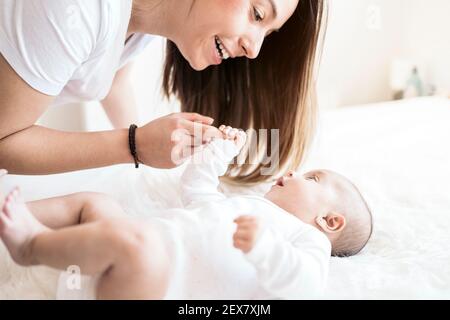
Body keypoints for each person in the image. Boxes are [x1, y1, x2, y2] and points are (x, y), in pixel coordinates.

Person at [0, 126, 372, 300]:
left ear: (329, 220)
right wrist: (218, 154)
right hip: (104, 261)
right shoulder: (241, 207)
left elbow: (304, 286)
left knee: (139, 243)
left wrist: (265, 249)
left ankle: (31, 246)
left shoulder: (305, 240)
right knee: (95, 203)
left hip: (146, 288)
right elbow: (196, 190)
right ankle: (11, 215)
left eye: (311, 177)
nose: (291, 172)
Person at [0, 0, 327, 183]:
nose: (254, 49)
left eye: (267, 34)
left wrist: (146, 172)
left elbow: (113, 81)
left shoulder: (146, 22)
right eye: (257, 14)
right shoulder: (79, 8)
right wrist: (135, 145)